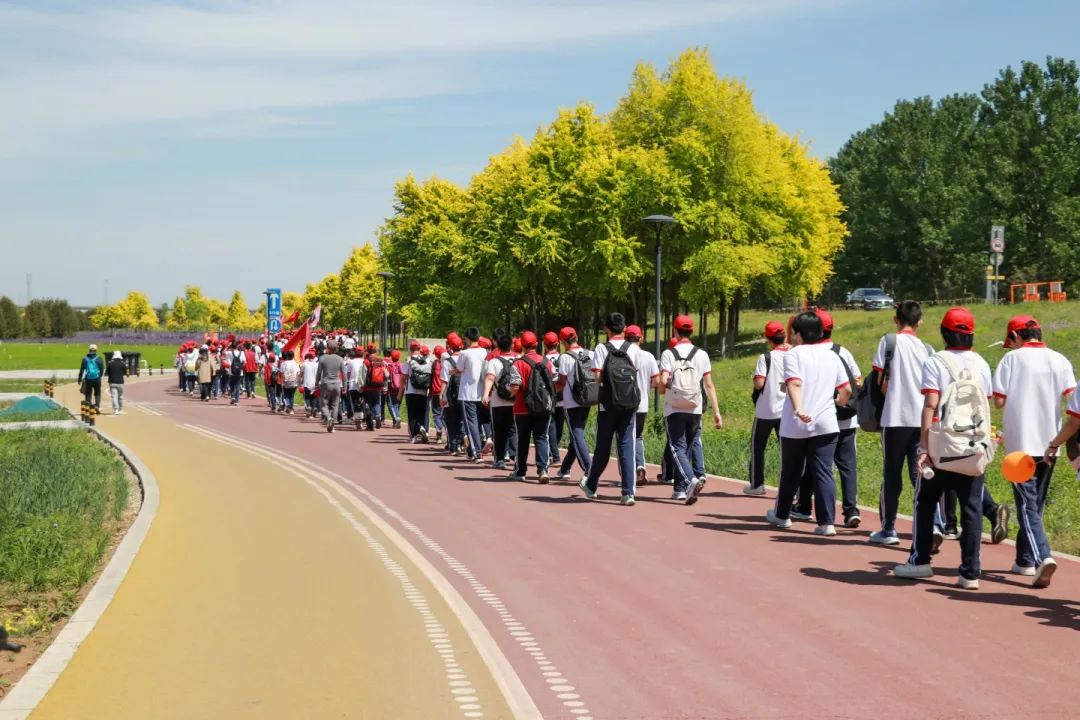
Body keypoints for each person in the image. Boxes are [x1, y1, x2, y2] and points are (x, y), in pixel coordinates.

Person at [893, 307, 993, 589]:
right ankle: (970, 573)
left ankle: (921, 560)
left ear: (944, 332)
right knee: (971, 508)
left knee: (925, 502)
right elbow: (984, 405)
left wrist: (923, 447)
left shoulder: (936, 362)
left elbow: (930, 405)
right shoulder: (983, 364)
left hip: (942, 445)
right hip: (973, 445)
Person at [992, 315, 1076, 588]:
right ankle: (1024, 559)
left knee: (1027, 506)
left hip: (1020, 444)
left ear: (1016, 336)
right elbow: (1070, 396)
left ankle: (1043, 556)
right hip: (1050, 444)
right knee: (1034, 505)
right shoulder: (1059, 359)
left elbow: (1000, 401)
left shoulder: (1011, 360)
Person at [765, 311, 851, 536]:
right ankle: (827, 523)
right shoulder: (832, 355)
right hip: (826, 423)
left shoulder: (793, 355)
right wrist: (836, 403)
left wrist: (799, 408)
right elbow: (846, 389)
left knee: (791, 471)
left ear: (797, 333)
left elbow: (794, 384)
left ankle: (782, 516)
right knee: (823, 471)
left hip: (796, 423)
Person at [870, 301, 936, 546]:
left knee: (891, 473)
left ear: (895, 320)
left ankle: (889, 528)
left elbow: (881, 380)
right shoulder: (928, 349)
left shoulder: (889, 342)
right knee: (920, 473)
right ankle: (932, 525)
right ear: (920, 322)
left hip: (895, 417)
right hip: (922, 419)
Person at [793, 310, 862, 527]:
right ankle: (851, 510)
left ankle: (804, 506)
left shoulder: (802, 353)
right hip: (847, 419)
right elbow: (858, 380)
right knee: (847, 466)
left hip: (817, 420)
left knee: (815, 466)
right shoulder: (843, 352)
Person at [579, 313, 643, 506]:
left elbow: (597, 378)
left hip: (607, 404)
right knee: (626, 445)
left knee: (603, 446)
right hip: (629, 404)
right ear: (624, 329)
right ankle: (628, 492)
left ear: (606, 329)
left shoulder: (601, 348)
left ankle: (591, 484)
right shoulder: (633, 348)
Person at [659, 315, 722, 505]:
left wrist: (666, 387)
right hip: (695, 408)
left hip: (674, 407)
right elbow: (709, 385)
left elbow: (662, 383)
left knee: (677, 447)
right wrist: (717, 412)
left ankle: (690, 480)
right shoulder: (701, 354)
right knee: (687, 446)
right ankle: (679, 489)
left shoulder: (668, 354)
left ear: (675, 331)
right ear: (692, 331)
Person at [746, 321, 789, 495]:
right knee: (787, 450)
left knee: (758, 447)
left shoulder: (766, 357)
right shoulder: (794, 355)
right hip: (787, 410)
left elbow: (759, 383)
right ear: (784, 336)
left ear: (768, 339)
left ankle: (757, 485)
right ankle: (790, 487)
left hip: (766, 410)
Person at [508, 331, 554, 482]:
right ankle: (543, 470)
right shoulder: (546, 362)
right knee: (541, 437)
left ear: (522, 345)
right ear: (536, 344)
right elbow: (552, 382)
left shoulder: (518, 363)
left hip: (522, 407)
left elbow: (515, 387)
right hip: (542, 406)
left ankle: (520, 471)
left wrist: (509, 392)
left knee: (523, 439)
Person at [624, 325, 659, 487]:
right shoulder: (648, 356)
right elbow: (656, 381)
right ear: (641, 338)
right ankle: (640, 466)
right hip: (642, 404)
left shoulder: (621, 355)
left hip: (623, 404)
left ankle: (628, 475)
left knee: (624, 439)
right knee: (637, 437)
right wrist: (645, 385)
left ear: (626, 338)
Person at [556, 327, 592, 481]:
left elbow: (561, 383)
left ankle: (589, 469)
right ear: (576, 337)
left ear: (563, 341)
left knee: (577, 433)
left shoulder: (565, 357)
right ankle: (565, 469)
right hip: (588, 398)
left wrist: (552, 389)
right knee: (576, 434)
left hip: (571, 402)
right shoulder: (590, 353)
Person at [482, 331, 518, 470]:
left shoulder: (494, 361)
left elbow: (490, 378)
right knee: (513, 430)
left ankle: (500, 459)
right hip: (515, 401)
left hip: (498, 401)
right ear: (511, 345)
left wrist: (485, 394)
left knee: (498, 430)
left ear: (497, 345)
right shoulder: (518, 359)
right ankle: (516, 458)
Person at [455, 327, 489, 462]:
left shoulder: (465, 353)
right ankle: (474, 449)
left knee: (471, 423)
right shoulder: (485, 352)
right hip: (482, 391)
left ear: (467, 339)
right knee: (480, 421)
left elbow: (459, 369)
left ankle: (477, 451)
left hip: (468, 392)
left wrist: (455, 372)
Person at [402, 346, 435, 443]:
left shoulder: (408, 361)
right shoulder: (427, 361)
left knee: (412, 414)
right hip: (423, 391)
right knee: (422, 412)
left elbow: (404, 376)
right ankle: (422, 427)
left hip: (411, 391)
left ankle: (413, 436)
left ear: (411, 350)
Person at [441, 335, 466, 454]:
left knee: (450, 420)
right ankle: (462, 439)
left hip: (450, 395)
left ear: (450, 347)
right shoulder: (466, 358)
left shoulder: (447, 362)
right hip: (464, 393)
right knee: (462, 418)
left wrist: (441, 395)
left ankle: (454, 446)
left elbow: (445, 380)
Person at [543, 332, 564, 465]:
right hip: (563, 398)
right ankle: (553, 452)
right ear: (557, 344)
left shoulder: (543, 360)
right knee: (559, 427)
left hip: (549, 398)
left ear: (544, 345)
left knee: (550, 427)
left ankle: (552, 453)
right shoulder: (563, 357)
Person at [316, 347, 345, 432]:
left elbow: (319, 372)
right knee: (335, 405)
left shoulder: (323, 358)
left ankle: (328, 418)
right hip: (337, 383)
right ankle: (333, 422)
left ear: (328, 348)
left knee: (324, 403)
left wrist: (316, 383)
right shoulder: (340, 359)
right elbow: (344, 373)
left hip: (326, 383)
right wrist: (345, 386)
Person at [361, 346, 388, 430]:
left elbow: (363, 374)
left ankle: (370, 425)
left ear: (368, 352)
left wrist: (361, 386)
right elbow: (386, 375)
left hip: (368, 387)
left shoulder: (366, 361)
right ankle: (378, 416)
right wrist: (385, 386)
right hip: (378, 387)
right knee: (377, 403)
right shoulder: (381, 361)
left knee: (367, 405)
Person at [78, 344, 105, 410]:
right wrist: (100, 376)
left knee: (88, 393)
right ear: (96, 350)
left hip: (88, 379)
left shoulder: (85, 359)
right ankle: (97, 405)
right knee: (97, 392)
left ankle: (88, 405)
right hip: (97, 379)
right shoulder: (99, 358)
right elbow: (102, 369)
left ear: (89, 350)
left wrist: (79, 379)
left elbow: (81, 370)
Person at [430, 345, 447, 444]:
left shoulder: (435, 364)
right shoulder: (447, 363)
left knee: (436, 413)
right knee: (445, 413)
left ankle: (439, 433)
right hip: (444, 391)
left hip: (435, 390)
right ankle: (447, 432)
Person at [279, 350, 300, 415]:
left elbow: (282, 374)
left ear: (287, 356)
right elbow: (298, 373)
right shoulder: (296, 363)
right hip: (294, 381)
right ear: (293, 356)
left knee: (286, 395)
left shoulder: (283, 363)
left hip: (286, 382)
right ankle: (291, 409)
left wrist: (282, 382)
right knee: (292, 395)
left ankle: (288, 406)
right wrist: (298, 382)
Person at [106, 350, 126, 414]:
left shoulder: (110, 363)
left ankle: (116, 410)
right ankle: (120, 409)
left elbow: (107, 372)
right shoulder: (122, 363)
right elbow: (125, 372)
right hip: (120, 382)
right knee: (120, 396)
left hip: (112, 382)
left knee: (114, 396)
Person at [301, 350, 320, 416]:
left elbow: (301, 373)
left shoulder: (304, 364)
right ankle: (314, 407)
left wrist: (300, 381)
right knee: (314, 397)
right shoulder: (317, 365)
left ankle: (309, 406)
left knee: (307, 397)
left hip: (307, 383)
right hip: (315, 383)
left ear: (308, 357)